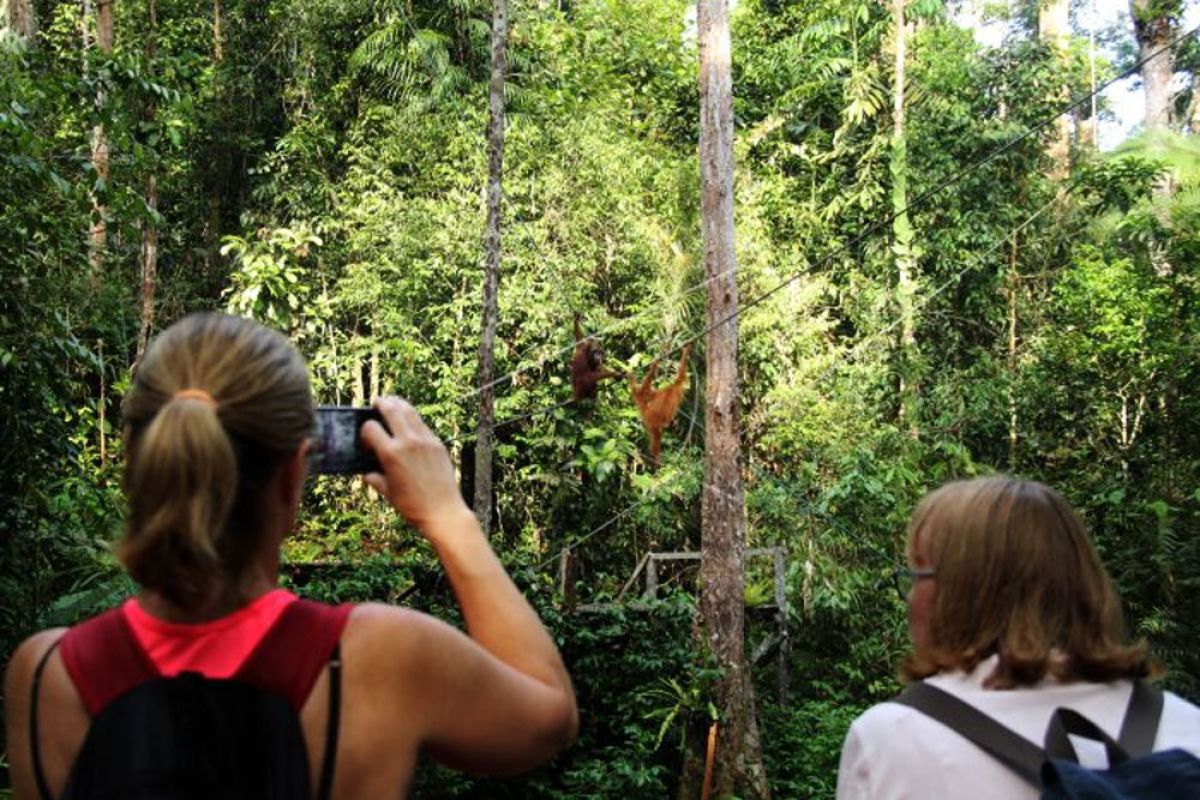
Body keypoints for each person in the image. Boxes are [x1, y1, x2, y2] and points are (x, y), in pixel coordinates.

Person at [4, 312, 578, 799]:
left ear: (136, 459)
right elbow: (549, 715)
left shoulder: (46, 678)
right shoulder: (379, 659)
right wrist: (448, 516)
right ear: (293, 475)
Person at [837, 476, 1200, 800]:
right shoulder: (1186, 727)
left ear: (960, 592)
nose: (911, 597)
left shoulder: (892, 739)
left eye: (917, 575)